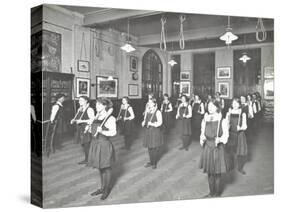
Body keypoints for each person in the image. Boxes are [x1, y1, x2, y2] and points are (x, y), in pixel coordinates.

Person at [199, 99, 229, 197]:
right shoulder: (205, 118)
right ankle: (211, 193)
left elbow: (226, 136)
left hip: (217, 148)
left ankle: (217, 194)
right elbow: (202, 132)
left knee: (217, 172)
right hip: (208, 146)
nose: (210, 108)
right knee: (209, 172)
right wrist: (202, 138)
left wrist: (220, 139)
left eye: (212, 106)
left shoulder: (222, 119)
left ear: (217, 107)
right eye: (208, 106)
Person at [88, 98, 117, 200]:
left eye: (99, 105)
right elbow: (94, 129)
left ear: (105, 106)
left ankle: (106, 190)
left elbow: (113, 133)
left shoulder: (110, 118)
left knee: (106, 168)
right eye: (96, 105)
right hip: (95, 144)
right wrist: (89, 128)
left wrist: (102, 132)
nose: (96, 106)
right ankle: (102, 187)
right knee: (100, 167)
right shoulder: (97, 116)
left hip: (104, 145)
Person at [70, 96, 95, 165]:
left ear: (86, 101)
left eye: (81, 100)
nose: (79, 102)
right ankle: (88, 159)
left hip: (86, 128)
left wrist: (81, 121)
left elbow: (92, 120)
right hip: (80, 129)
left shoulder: (89, 109)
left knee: (87, 144)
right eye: (79, 100)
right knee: (84, 144)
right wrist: (73, 120)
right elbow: (77, 118)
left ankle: (89, 160)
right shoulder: (80, 109)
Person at [226, 98, 248, 175]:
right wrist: (227, 125)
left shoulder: (242, 113)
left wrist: (240, 128)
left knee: (240, 153)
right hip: (231, 134)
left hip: (240, 134)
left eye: (236, 103)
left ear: (239, 104)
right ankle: (230, 166)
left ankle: (240, 168)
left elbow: (245, 126)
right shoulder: (229, 113)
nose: (234, 105)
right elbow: (226, 123)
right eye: (233, 103)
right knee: (230, 152)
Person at [142, 98, 163, 169]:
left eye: (150, 103)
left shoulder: (158, 112)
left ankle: (154, 163)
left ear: (154, 104)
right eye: (148, 103)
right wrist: (143, 122)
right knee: (149, 147)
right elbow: (145, 119)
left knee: (154, 147)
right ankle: (151, 161)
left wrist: (152, 123)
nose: (149, 104)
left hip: (155, 131)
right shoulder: (148, 111)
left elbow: (160, 123)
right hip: (148, 131)